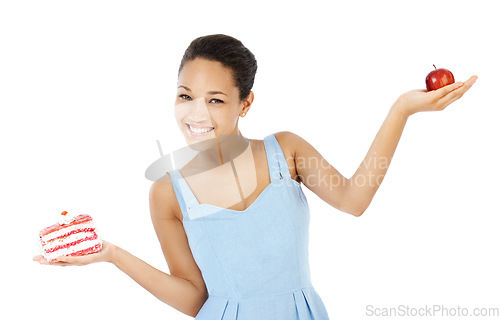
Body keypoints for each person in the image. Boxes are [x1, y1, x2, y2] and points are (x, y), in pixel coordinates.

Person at [33, 34, 478, 319]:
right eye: (185, 95)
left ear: (245, 103)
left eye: (215, 100)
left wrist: (401, 110)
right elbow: (195, 300)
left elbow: (354, 201)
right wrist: (112, 254)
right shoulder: (167, 192)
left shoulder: (286, 150)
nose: (195, 113)